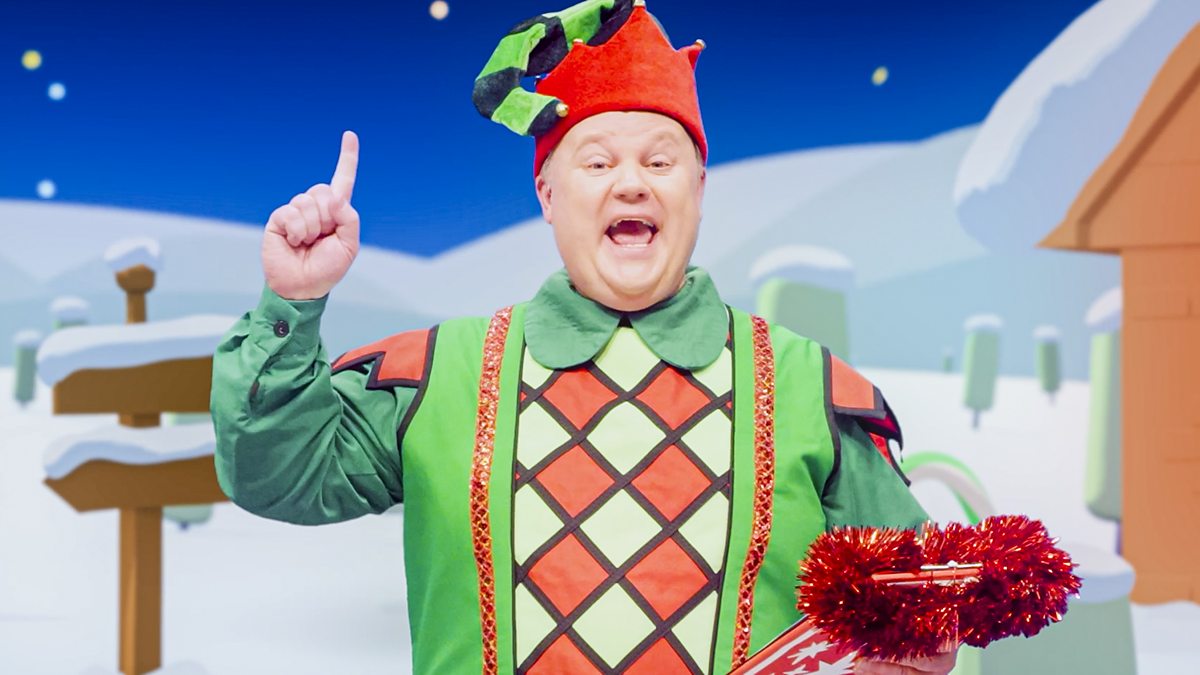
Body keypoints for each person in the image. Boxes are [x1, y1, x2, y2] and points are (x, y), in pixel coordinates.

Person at [211, 1, 957, 673]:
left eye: (660, 161)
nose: (631, 183)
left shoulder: (808, 388)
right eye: (597, 162)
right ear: (547, 194)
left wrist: (910, 651)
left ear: (698, 189)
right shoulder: (435, 376)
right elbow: (278, 477)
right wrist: (293, 300)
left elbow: (924, 622)